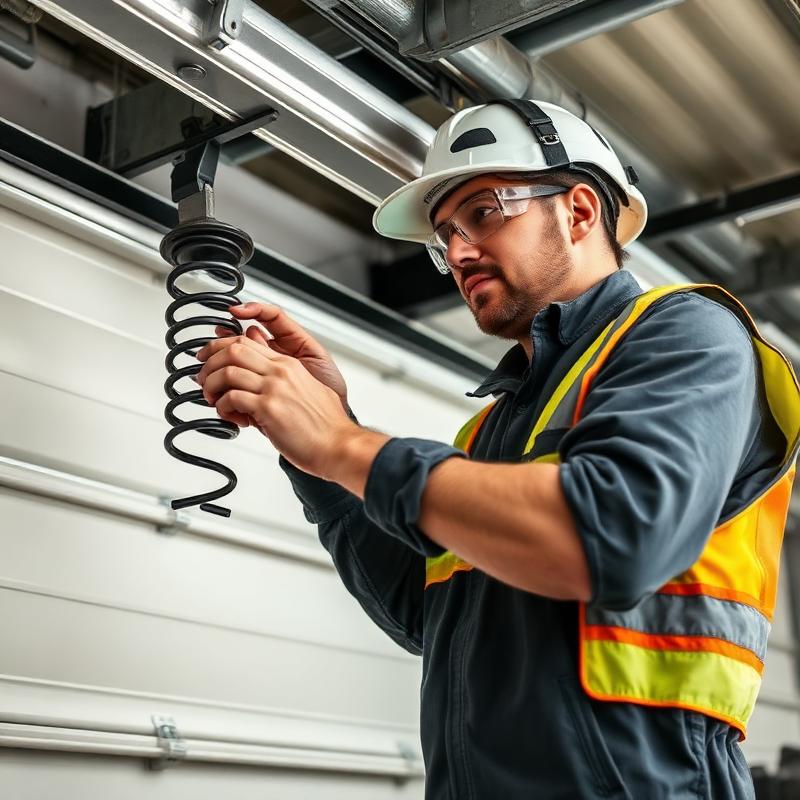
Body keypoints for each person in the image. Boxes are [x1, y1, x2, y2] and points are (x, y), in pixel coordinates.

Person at [193, 100, 800, 799]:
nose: (455, 253)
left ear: (578, 212)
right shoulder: (488, 433)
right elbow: (422, 611)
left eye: (484, 212)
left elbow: (608, 535)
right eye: (444, 235)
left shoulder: (686, 333)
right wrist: (315, 447)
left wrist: (341, 443)